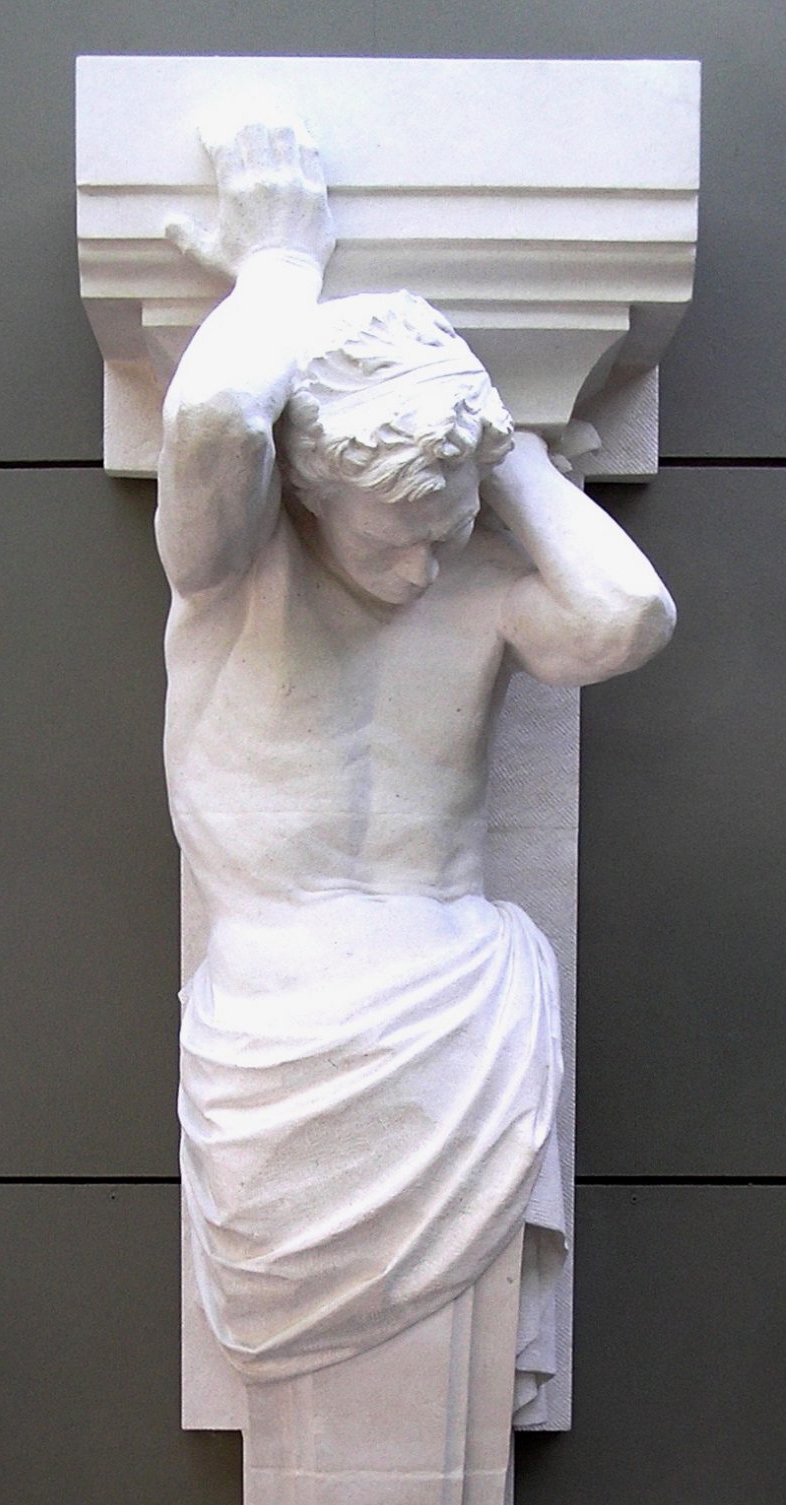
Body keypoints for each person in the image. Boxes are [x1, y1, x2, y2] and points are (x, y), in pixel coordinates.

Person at [156, 111, 676, 1400]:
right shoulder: (234, 572)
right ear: (303, 490)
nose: (423, 568)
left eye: (445, 533)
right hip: (278, 1037)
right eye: (391, 537)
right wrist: (280, 265)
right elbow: (218, 410)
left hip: (458, 1014)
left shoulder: (480, 579)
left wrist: (507, 458)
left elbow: (625, 620)